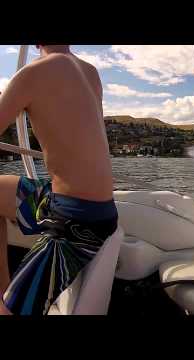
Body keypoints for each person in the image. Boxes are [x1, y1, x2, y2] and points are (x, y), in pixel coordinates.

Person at [0, 45, 118, 315]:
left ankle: (8, 305)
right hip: (92, 209)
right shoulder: (91, 72)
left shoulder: (30, 74)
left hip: (74, 223)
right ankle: (6, 291)